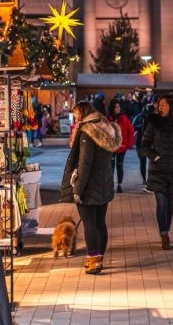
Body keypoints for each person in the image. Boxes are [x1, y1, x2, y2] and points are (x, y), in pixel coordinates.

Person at [60, 101, 122, 274]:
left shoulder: (87, 132)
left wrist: (77, 190)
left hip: (89, 185)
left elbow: (84, 163)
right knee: (100, 222)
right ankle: (99, 257)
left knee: (89, 223)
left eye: (76, 114)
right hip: (104, 183)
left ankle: (93, 260)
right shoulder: (106, 128)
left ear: (83, 113)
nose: (76, 118)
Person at [142, 95, 173, 250]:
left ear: (171, 106)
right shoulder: (153, 123)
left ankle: (166, 230)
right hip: (158, 169)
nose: (160, 107)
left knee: (169, 204)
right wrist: (154, 156)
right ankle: (164, 234)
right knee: (161, 203)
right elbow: (145, 144)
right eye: (159, 104)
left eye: (163, 104)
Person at [109, 100, 135, 193]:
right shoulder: (108, 118)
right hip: (111, 147)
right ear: (112, 108)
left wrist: (130, 143)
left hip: (121, 147)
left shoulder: (124, 118)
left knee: (120, 166)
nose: (118, 108)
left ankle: (119, 184)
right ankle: (110, 185)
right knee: (110, 167)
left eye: (119, 107)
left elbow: (131, 130)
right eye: (116, 107)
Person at [132, 103, 155, 186]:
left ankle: (150, 179)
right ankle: (144, 179)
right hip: (140, 142)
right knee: (143, 161)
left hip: (152, 143)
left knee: (152, 162)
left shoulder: (154, 118)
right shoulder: (140, 117)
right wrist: (141, 126)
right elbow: (133, 126)